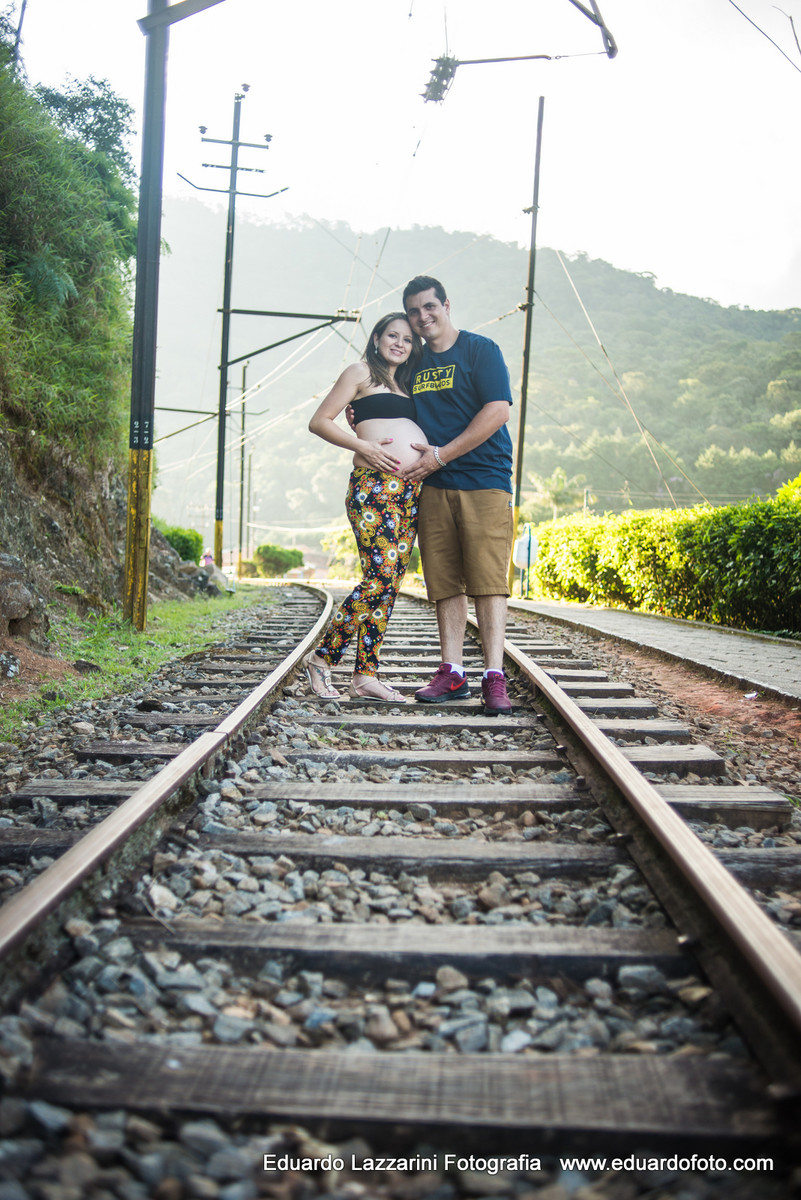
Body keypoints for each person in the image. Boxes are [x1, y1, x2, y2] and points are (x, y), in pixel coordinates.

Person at [399, 275, 515, 715]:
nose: (422, 317)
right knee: (444, 581)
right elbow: (390, 402)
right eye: (414, 311)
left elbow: (497, 410)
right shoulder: (414, 365)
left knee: (487, 581)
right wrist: (361, 412)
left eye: (429, 307)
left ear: (446, 305)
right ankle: (452, 672)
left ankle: (493, 677)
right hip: (433, 484)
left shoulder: (479, 350)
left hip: (483, 479)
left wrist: (443, 455)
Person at [304, 312, 425, 702]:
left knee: (388, 585)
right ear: (376, 338)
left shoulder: (407, 384)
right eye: (392, 335)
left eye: (407, 339)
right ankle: (323, 658)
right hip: (373, 489)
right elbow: (320, 421)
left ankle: (365, 676)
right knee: (379, 577)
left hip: (408, 494)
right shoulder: (359, 372)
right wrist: (363, 446)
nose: (399, 344)